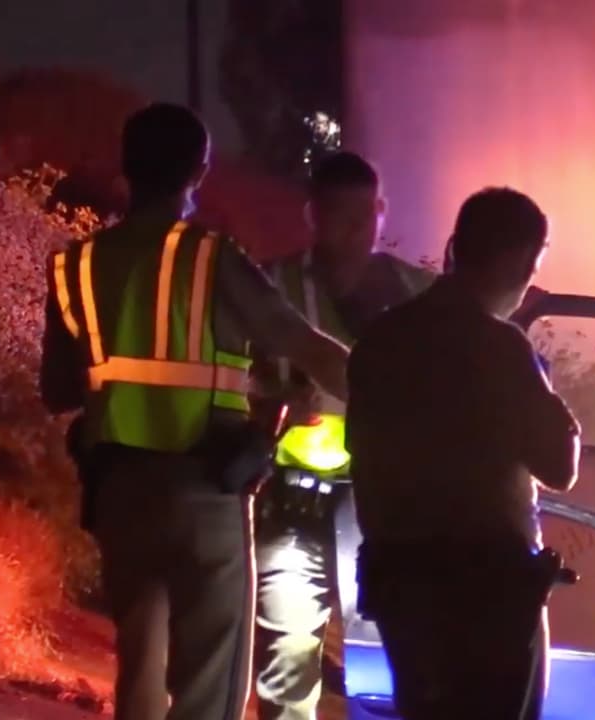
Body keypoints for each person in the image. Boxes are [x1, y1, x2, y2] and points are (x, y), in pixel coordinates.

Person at [38, 102, 350, 720]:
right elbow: (303, 345)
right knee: (210, 677)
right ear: (199, 170)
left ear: (128, 167)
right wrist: (398, 386)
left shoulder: (75, 265)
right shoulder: (214, 258)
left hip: (118, 494)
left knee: (141, 669)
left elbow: (59, 391)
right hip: (206, 487)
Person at [346, 187, 581, 719]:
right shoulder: (501, 347)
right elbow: (560, 466)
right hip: (489, 590)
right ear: (522, 260)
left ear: (455, 247)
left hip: (397, 581)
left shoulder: (379, 341)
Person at [250, 151, 433, 720]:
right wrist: (276, 405)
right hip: (293, 499)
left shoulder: (421, 293)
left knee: (394, 654)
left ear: (382, 211)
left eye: (365, 214)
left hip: (387, 504)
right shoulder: (269, 286)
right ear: (313, 215)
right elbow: (232, 378)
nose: (355, 229)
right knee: (286, 655)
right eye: (340, 215)